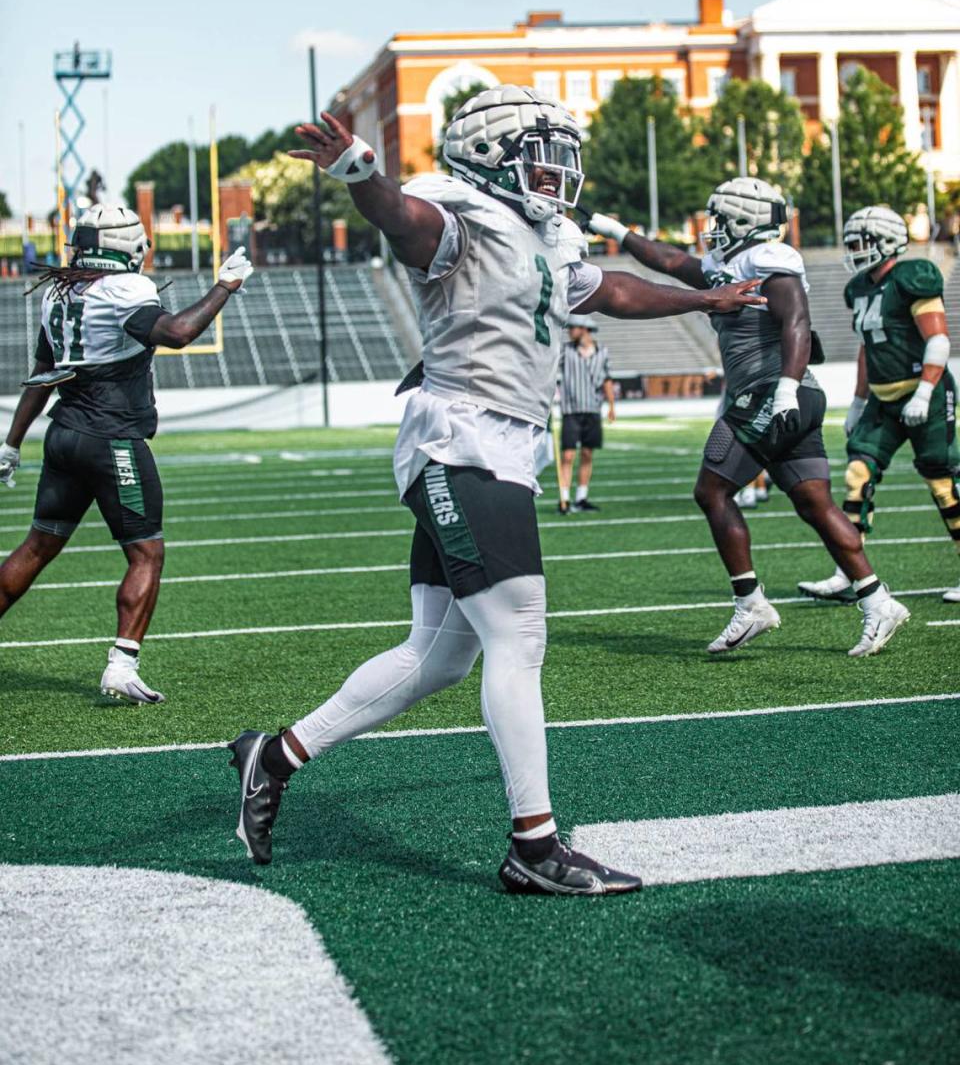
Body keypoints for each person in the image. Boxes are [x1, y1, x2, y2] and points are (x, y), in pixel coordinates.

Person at [227, 86, 763, 894]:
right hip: (461, 437)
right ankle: (535, 847)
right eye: (539, 160)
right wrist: (359, 171)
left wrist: (704, 298)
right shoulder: (458, 208)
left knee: (439, 655)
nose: (555, 176)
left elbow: (608, 291)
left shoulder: (546, 234)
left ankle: (275, 756)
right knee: (520, 636)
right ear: (487, 156)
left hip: (505, 443)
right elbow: (405, 223)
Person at [589, 178, 909, 658]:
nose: (713, 227)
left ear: (743, 219)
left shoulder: (770, 260)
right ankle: (878, 600)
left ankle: (751, 603)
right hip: (786, 393)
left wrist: (783, 389)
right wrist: (607, 225)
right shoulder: (731, 263)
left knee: (712, 490)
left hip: (772, 390)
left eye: (720, 218)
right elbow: (669, 260)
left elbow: (796, 321)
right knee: (814, 504)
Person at [0, 205, 253, 702]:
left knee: (36, 547)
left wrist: (11, 443)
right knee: (146, 552)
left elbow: (40, 374)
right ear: (129, 246)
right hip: (111, 438)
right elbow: (178, 333)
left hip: (63, 435)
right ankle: (122, 663)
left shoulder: (61, 292)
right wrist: (225, 286)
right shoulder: (125, 289)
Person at [797, 206, 958, 604]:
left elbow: (938, 339)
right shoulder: (861, 288)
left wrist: (924, 392)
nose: (853, 250)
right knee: (857, 473)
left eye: (860, 242)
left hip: (927, 393)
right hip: (883, 398)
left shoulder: (912, 278)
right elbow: (868, 350)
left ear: (886, 241)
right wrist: (856, 402)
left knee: (944, 483)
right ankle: (849, 572)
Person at [556, 318, 614, 514]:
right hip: (571, 410)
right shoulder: (565, 351)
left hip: (593, 410)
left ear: (584, 329)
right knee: (568, 455)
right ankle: (564, 499)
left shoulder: (602, 352)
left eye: (573, 327)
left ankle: (581, 498)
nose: (570, 331)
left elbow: (606, 379)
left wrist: (612, 405)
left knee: (588, 454)